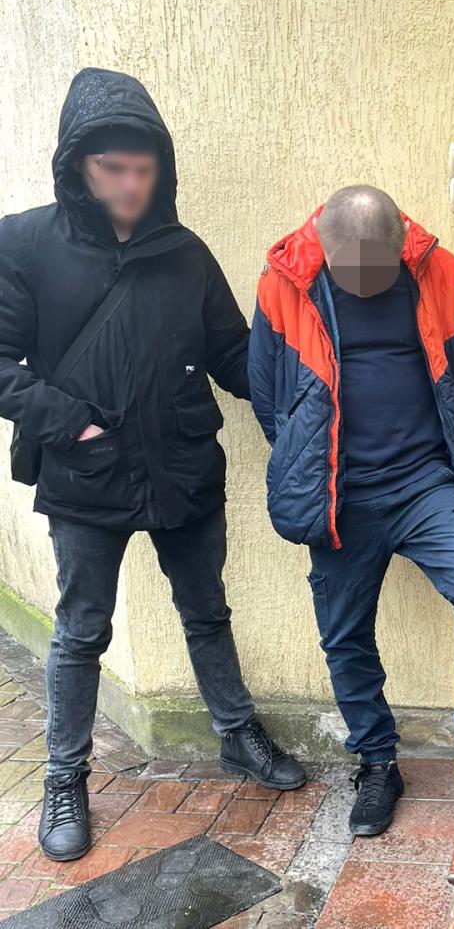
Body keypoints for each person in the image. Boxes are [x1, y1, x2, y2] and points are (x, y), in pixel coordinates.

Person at [0, 68, 306, 863]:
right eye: (113, 169)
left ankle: (236, 731)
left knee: (206, 609)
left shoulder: (185, 252)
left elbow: (234, 355)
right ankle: (64, 776)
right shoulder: (24, 244)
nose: (131, 185)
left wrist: (305, 376)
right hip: (86, 474)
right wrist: (71, 424)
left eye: (143, 168)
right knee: (81, 630)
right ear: (78, 164)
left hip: (183, 466)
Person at [248, 185, 454, 836]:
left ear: (401, 243)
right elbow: (267, 394)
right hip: (340, 492)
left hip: (425, 483)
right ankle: (377, 762)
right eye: (353, 271)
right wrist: (313, 464)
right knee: (345, 632)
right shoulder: (285, 284)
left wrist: (434, 458)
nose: (368, 283)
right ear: (326, 247)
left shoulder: (442, 273)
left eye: (380, 268)